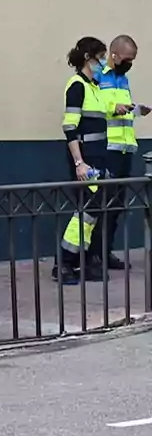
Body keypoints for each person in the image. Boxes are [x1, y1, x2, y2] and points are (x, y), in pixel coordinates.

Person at [57, 37, 111, 283]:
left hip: (98, 157)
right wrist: (79, 163)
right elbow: (70, 128)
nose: (103, 62)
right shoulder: (77, 85)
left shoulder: (94, 86)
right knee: (86, 211)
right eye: (101, 57)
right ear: (88, 58)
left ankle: (82, 262)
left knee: (93, 211)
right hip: (86, 160)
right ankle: (64, 263)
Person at [97, 35, 150, 268]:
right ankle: (93, 255)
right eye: (127, 59)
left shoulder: (123, 80)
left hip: (125, 148)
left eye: (133, 60)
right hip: (106, 148)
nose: (129, 64)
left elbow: (121, 111)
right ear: (114, 55)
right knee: (102, 203)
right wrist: (113, 108)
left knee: (117, 204)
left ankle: (105, 252)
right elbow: (93, 108)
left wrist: (136, 110)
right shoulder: (98, 77)